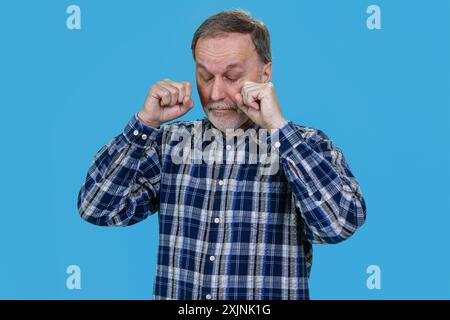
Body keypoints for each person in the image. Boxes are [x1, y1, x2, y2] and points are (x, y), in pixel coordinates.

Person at [78, 9, 366, 300]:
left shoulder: (306, 145)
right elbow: (96, 208)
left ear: (265, 73)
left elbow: (338, 225)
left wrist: (279, 129)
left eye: (231, 76)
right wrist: (144, 124)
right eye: (205, 76)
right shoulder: (168, 144)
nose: (216, 93)